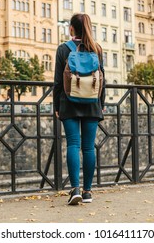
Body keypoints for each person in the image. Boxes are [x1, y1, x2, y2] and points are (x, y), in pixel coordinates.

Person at [53, 13, 105, 205]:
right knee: (89, 147)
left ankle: (75, 189)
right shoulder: (96, 49)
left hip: (69, 101)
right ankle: (88, 192)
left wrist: (57, 106)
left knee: (73, 144)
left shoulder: (63, 49)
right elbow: (102, 80)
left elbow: (58, 82)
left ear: (71, 28)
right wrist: (101, 105)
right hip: (92, 102)